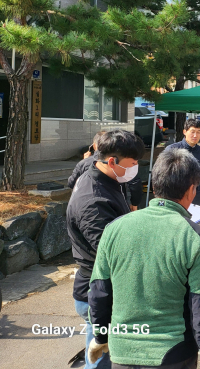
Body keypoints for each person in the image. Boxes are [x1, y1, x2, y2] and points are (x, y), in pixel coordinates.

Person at [87, 148, 200, 369]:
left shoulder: (114, 229)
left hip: (122, 353)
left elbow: (99, 292)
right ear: (191, 190)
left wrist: (100, 337)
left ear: (154, 185)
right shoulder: (195, 237)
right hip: (172, 354)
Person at [66, 130, 145, 369]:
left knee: (105, 354)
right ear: (112, 161)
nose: (136, 168)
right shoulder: (93, 202)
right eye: (133, 164)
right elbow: (111, 255)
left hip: (103, 288)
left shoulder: (106, 176)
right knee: (101, 359)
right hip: (97, 291)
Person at [69, 131, 143, 210]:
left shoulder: (85, 163)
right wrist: (135, 204)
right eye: (133, 163)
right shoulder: (95, 203)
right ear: (111, 162)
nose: (135, 166)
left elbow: (71, 183)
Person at [165, 118, 200, 208]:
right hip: (177, 197)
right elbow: (164, 176)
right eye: (192, 131)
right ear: (184, 132)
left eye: (198, 132)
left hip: (198, 198)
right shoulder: (172, 149)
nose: (195, 135)